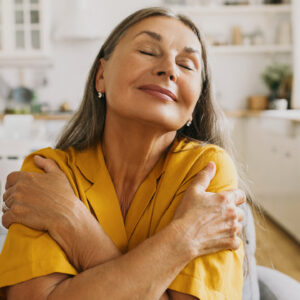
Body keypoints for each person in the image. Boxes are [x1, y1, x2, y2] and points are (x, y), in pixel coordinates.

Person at [0, 7, 247, 300]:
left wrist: (71, 221)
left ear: (196, 103)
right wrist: (186, 237)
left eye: (187, 64)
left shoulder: (207, 170)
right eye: (147, 50)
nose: (169, 68)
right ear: (101, 75)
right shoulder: (47, 170)